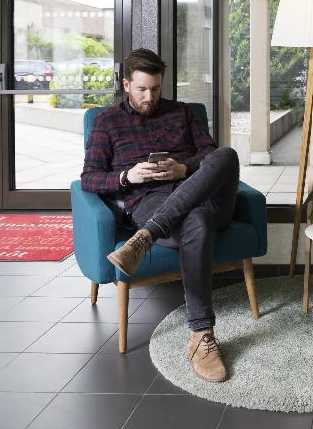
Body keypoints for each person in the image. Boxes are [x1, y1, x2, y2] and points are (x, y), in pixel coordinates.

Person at [81, 48, 239, 383]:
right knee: (196, 221)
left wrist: (184, 168)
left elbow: (209, 154)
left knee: (227, 155)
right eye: (141, 89)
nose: (149, 97)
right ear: (126, 84)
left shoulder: (182, 113)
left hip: (204, 197)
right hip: (149, 201)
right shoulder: (107, 122)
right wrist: (127, 177)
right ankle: (201, 335)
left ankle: (146, 237)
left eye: (155, 89)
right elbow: (89, 179)